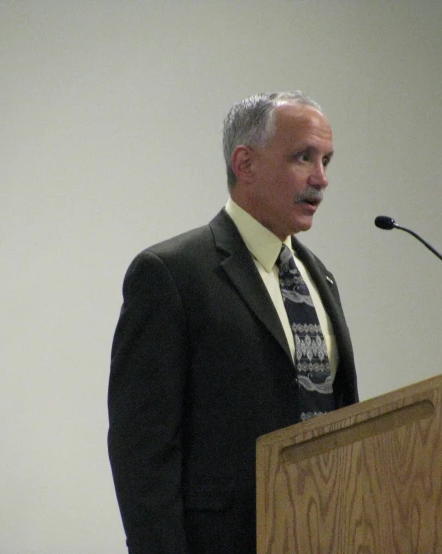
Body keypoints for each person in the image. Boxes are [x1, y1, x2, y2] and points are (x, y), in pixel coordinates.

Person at [107, 91, 359, 554]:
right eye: (303, 157)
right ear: (245, 164)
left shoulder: (318, 277)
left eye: (326, 160)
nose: (321, 179)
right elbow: (142, 451)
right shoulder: (172, 275)